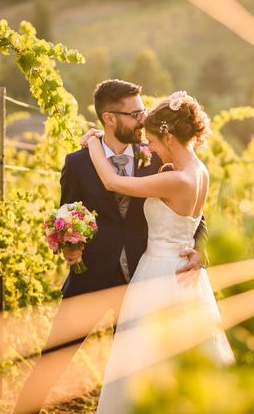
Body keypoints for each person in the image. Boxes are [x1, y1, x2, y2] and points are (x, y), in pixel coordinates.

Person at [13, 80, 206, 414]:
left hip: (143, 282)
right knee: (52, 362)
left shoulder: (157, 158)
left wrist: (203, 251)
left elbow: (193, 215)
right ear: (109, 118)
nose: (143, 121)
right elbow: (66, 212)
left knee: (135, 374)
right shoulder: (78, 162)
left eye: (144, 112)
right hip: (91, 278)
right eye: (135, 114)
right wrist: (68, 247)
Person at [86, 90, 234, 414]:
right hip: (183, 272)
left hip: (161, 276)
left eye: (152, 140)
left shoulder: (178, 180)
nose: (149, 148)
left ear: (167, 136)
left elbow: (112, 182)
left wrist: (94, 142)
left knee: (148, 361)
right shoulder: (199, 172)